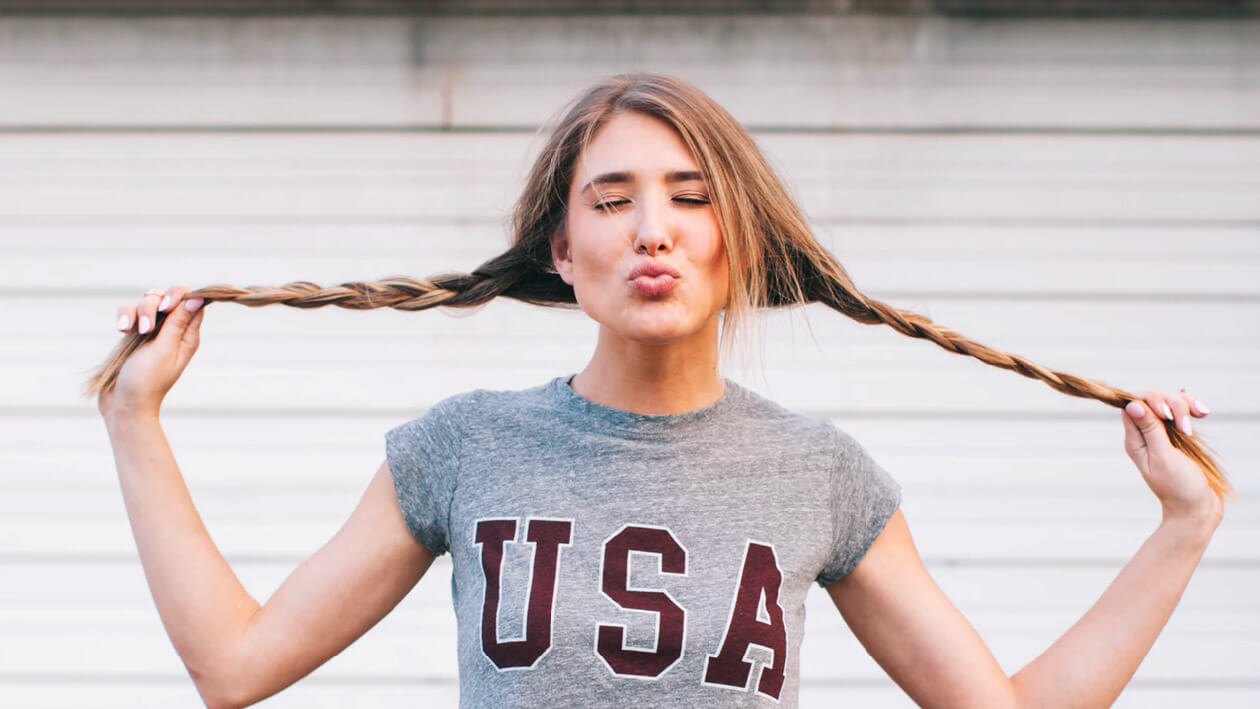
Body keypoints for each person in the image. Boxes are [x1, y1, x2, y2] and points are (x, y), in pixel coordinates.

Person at [95, 74, 1226, 708]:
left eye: (691, 197)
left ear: (740, 239)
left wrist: (1183, 528)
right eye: (612, 199)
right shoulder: (463, 448)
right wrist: (134, 419)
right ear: (560, 245)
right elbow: (233, 666)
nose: (653, 231)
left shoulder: (818, 474)